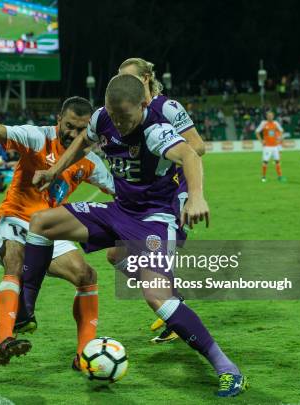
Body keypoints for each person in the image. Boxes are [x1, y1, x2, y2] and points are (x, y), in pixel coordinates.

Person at [17, 75, 246, 397]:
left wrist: (196, 196)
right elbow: (84, 139)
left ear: (143, 105)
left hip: (154, 219)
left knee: (157, 297)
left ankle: (227, 368)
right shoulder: (102, 117)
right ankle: (24, 311)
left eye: (125, 117)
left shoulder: (155, 130)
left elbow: (191, 155)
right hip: (119, 210)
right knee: (41, 222)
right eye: (114, 116)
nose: (120, 125)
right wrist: (56, 171)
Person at [0, 94, 114, 367]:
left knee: (86, 275)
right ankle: (5, 341)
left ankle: (84, 355)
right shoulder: (38, 137)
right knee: (14, 260)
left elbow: (121, 192)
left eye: (81, 129)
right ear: (58, 120)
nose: (73, 133)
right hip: (15, 217)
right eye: (69, 126)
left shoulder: (90, 162)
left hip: (49, 228)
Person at [114, 57, 205, 343]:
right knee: (117, 255)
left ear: (145, 79)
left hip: (172, 193)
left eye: (129, 79)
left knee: (159, 257)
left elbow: (198, 146)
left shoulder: (166, 107)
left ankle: (174, 314)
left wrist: (168, 156)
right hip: (145, 196)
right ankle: (174, 304)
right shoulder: (128, 110)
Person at [255, 111, 285, 182]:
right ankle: (263, 177)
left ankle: (280, 176)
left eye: (271, 116)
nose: (270, 117)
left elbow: (281, 130)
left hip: (275, 146)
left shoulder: (275, 123)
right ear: (266, 116)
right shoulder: (263, 123)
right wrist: (261, 141)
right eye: (268, 116)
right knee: (265, 161)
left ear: (273, 116)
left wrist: (279, 137)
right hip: (267, 146)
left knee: (277, 161)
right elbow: (257, 132)